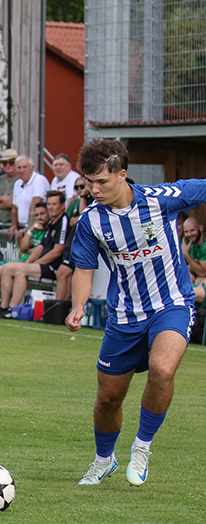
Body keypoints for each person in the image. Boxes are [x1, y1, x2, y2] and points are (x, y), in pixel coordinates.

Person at [67, 138, 206, 487]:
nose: (94, 190)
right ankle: (104, 460)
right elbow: (84, 269)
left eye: (102, 181)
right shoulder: (91, 221)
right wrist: (78, 307)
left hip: (172, 305)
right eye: (89, 182)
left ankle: (142, 448)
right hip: (125, 316)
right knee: (108, 398)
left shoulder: (161, 200)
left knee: (162, 369)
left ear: (122, 174)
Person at [0, 190, 67, 318]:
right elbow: (41, 248)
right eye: (49, 204)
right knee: (6, 268)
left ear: (63, 206)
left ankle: (13, 309)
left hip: (54, 266)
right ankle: (3, 308)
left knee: (20, 270)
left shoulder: (63, 221)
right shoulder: (52, 223)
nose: (51, 207)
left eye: (54, 204)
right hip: (42, 264)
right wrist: (28, 262)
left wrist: (35, 263)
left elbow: (57, 251)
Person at [10, 155, 50, 239]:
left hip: (36, 226)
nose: (22, 170)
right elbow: (14, 208)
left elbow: (35, 205)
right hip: (21, 227)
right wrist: (14, 226)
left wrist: (28, 228)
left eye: (25, 167)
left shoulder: (39, 180)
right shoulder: (17, 183)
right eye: (19, 167)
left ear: (32, 168)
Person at [182, 217, 206, 283]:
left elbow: (203, 272)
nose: (189, 234)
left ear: (200, 228)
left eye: (192, 230)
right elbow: (192, 266)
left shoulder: (204, 244)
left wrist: (185, 254)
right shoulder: (192, 244)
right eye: (186, 231)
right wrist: (188, 273)